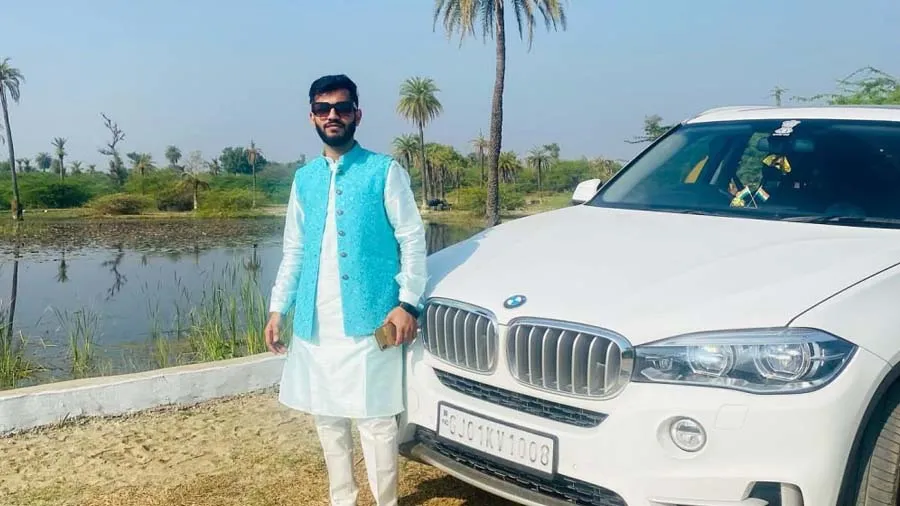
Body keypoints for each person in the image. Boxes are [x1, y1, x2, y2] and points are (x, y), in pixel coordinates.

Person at [264, 74, 427, 506]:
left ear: (357, 114)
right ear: (312, 116)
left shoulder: (383, 171)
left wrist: (408, 302)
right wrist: (279, 308)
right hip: (316, 322)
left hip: (372, 318)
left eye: (341, 107)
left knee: (376, 421)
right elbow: (294, 249)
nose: (332, 115)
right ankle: (343, 500)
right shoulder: (305, 179)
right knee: (329, 419)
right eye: (323, 108)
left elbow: (412, 238)